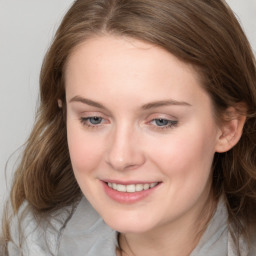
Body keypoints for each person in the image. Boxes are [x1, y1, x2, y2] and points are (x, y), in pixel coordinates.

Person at [1, 0, 256, 255]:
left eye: (161, 121)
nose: (120, 157)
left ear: (228, 128)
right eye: (94, 119)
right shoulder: (35, 239)